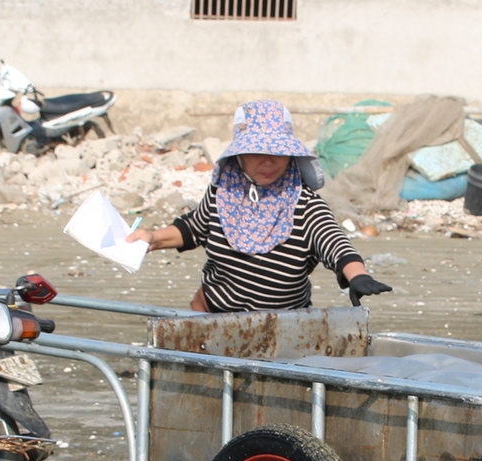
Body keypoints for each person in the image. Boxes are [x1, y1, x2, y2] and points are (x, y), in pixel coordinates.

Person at [128, 99, 392, 312]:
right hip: (213, 313)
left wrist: (358, 276)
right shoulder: (224, 192)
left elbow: (334, 242)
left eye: (277, 152)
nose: (268, 162)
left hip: (280, 327)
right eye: (256, 152)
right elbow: (193, 228)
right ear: (238, 155)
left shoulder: (303, 202)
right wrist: (152, 238)